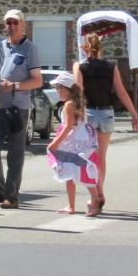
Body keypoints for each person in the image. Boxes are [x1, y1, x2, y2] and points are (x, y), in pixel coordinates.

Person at [73, 31, 138, 215]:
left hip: (89, 113)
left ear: (84, 47)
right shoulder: (111, 67)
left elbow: (78, 93)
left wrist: (74, 116)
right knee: (101, 157)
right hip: (107, 113)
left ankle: (97, 195)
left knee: (87, 157)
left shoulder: (80, 67)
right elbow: (121, 92)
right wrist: (134, 113)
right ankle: (100, 192)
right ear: (100, 48)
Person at [0, 8, 43, 210]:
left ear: (23, 25)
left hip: (18, 107)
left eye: (15, 23)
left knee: (15, 154)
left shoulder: (30, 49)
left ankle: (12, 196)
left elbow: (37, 81)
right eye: (8, 23)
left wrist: (14, 86)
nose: (11, 26)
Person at [46, 71, 99, 214]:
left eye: (60, 88)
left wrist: (55, 143)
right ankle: (76, 204)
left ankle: (93, 201)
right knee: (73, 173)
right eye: (57, 88)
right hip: (79, 142)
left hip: (72, 144)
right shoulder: (76, 103)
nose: (57, 91)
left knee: (75, 172)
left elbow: (68, 126)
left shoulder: (69, 105)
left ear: (69, 89)